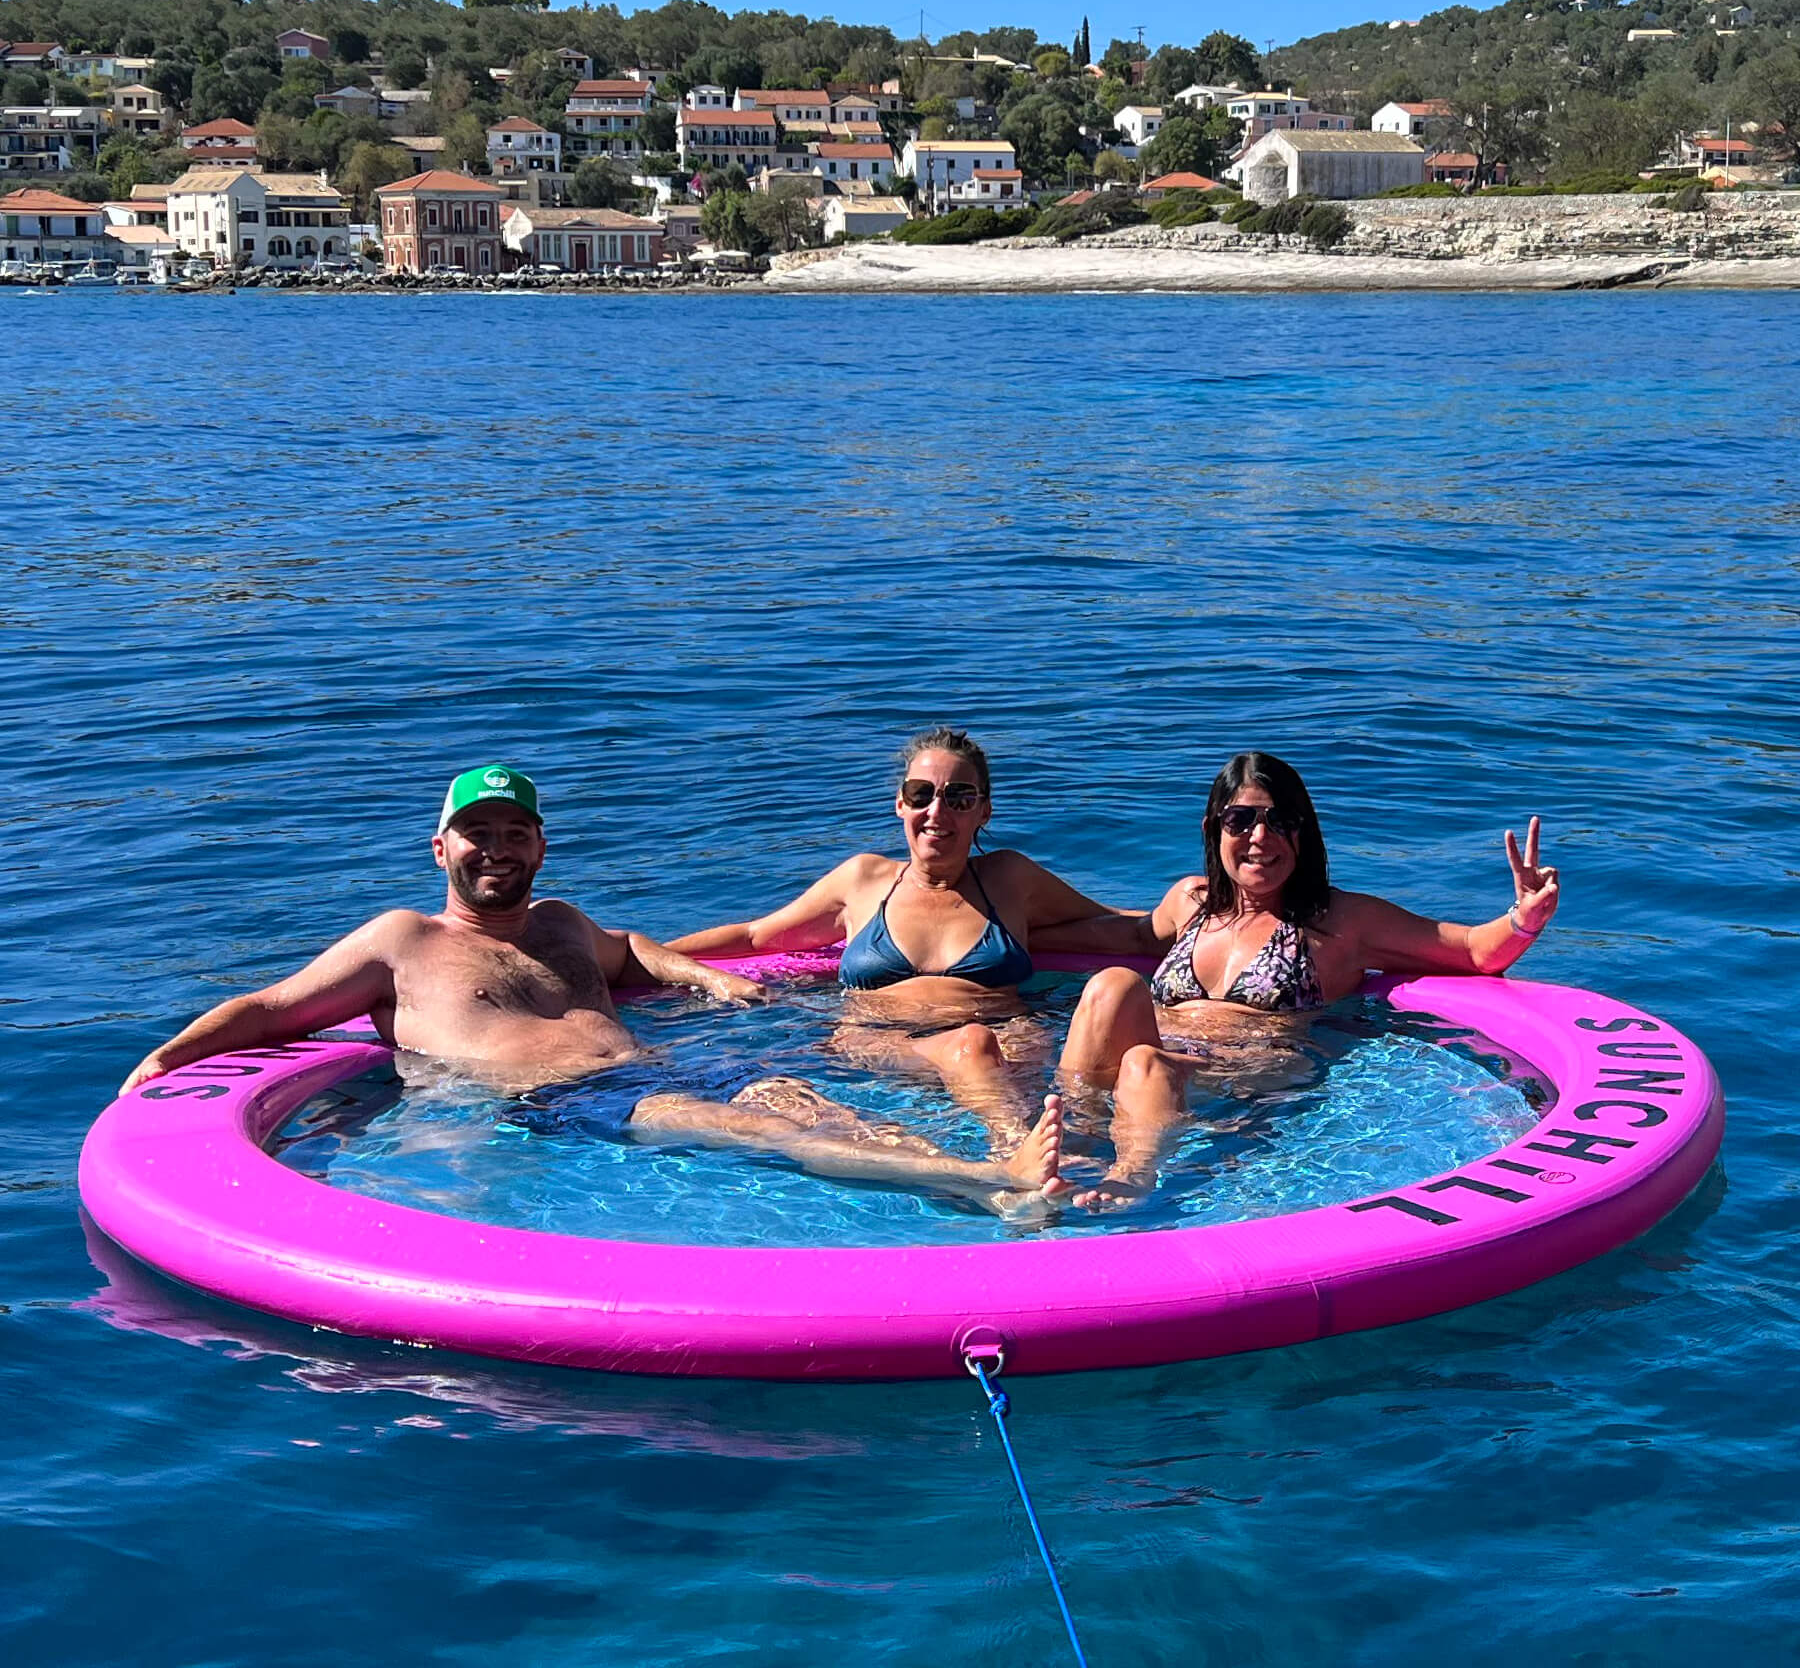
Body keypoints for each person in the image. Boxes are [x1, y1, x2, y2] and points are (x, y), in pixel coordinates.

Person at [120, 763, 1070, 1216]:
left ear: (539, 844)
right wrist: (164, 1060)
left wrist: (706, 981)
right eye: (478, 833)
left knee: (798, 1100)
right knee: (765, 1128)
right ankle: (996, 1181)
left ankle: (978, 1197)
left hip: (650, 1070)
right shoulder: (400, 941)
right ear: (441, 846)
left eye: (515, 833)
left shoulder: (565, 923)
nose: (498, 848)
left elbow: (634, 952)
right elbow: (274, 1010)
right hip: (547, 1104)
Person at [1047, 750, 1562, 1210]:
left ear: (1304, 832)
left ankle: (1133, 1176)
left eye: (1280, 821)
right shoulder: (1191, 901)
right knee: (1111, 984)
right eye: (1240, 820)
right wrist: (1006, 929)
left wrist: (1524, 916)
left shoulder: (1341, 920)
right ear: (1214, 828)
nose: (1259, 838)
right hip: (1158, 1057)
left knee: (1144, 1063)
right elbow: (1131, 935)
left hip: (1244, 1075)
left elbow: (1471, 950)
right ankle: (1072, 1144)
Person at [662, 726, 1122, 1155]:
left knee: (988, 1050)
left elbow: (1113, 922)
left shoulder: (1010, 879)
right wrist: (645, 954)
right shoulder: (863, 880)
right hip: (877, 1039)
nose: (936, 812)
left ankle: (1029, 1161)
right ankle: (1018, 1154)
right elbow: (754, 936)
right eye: (921, 794)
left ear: (984, 810)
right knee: (970, 1048)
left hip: (1006, 1035)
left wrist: (1189, 907)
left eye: (958, 797)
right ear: (900, 803)